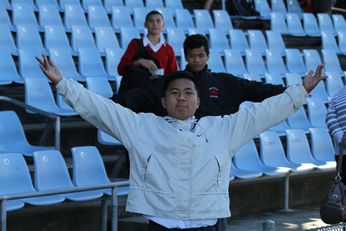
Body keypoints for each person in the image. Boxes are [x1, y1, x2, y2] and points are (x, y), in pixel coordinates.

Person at [37, 54, 324, 231]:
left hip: (209, 223)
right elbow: (101, 109)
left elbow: (264, 113)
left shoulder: (223, 128)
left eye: (188, 92)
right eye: (174, 93)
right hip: (162, 224)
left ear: (199, 101)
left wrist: (300, 92)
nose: (182, 98)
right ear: (164, 101)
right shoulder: (143, 127)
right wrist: (63, 84)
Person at [114, 34, 286, 119]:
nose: (196, 60)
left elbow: (257, 89)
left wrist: (292, 91)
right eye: (192, 56)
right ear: (186, 57)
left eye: (201, 55)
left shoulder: (223, 81)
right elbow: (135, 98)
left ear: (208, 56)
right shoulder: (169, 82)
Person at [117, 10, 178, 93]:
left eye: (158, 21)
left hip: (157, 94)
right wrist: (139, 62)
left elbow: (173, 75)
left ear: (163, 25)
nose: (155, 24)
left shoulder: (168, 49)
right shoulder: (135, 44)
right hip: (135, 92)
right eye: (151, 21)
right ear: (145, 25)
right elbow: (120, 69)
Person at [326, 86, 346, 184]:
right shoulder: (338, 95)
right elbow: (330, 119)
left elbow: (330, 119)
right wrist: (342, 138)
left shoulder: (337, 95)